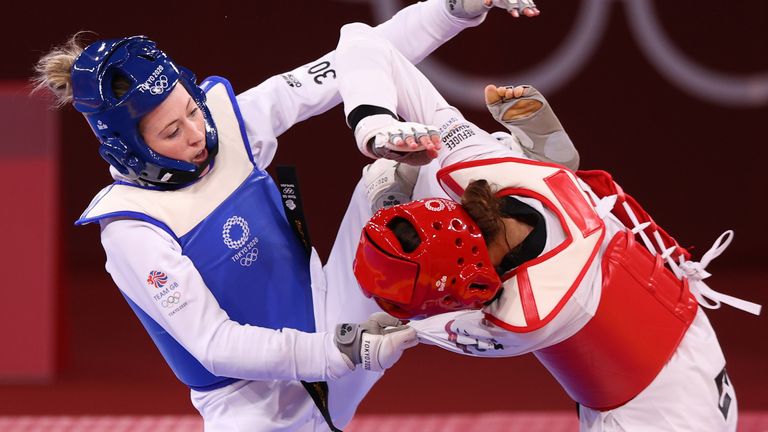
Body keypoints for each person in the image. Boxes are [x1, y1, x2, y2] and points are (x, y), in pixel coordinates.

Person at [31, 1, 543, 430]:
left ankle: (527, 202)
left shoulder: (225, 123)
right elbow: (213, 344)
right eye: (171, 132)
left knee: (402, 174)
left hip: (332, 315)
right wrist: (335, 353)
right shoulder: (132, 226)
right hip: (253, 405)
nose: (196, 133)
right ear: (126, 146)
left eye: (191, 109)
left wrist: (454, 9)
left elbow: (353, 58)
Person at [332, 22, 762, 431]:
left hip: (659, 413)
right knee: (433, 163)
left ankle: (533, 154)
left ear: (472, 282)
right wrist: (376, 128)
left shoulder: (527, 315)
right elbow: (359, 38)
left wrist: (394, 339)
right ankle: (538, 153)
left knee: (418, 171)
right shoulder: (477, 160)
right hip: (676, 328)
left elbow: (414, 334)